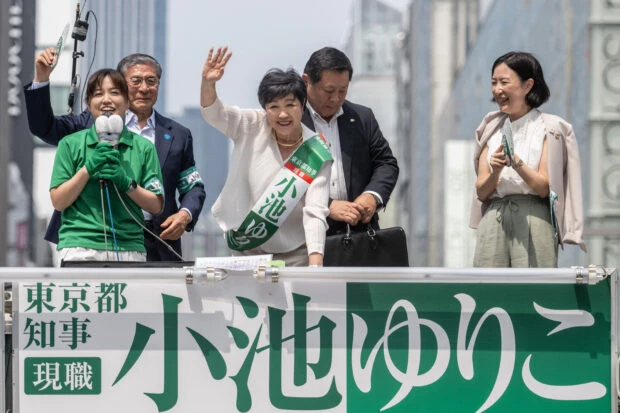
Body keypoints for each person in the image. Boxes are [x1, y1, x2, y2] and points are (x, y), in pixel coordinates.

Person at [24, 50, 205, 261]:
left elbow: (191, 185)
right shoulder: (90, 123)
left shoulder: (178, 135)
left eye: (151, 81)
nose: (144, 88)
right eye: (136, 80)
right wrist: (42, 79)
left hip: (157, 241)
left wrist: (185, 214)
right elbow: (43, 127)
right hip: (90, 242)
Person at [200, 47, 332, 266]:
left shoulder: (316, 151)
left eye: (290, 105)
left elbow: (315, 212)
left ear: (302, 106)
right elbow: (215, 114)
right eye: (274, 107)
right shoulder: (251, 124)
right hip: (249, 252)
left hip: (296, 255)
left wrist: (315, 265)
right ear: (265, 109)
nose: (282, 114)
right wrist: (208, 83)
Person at [470, 51, 587, 267]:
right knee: (488, 291)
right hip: (494, 217)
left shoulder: (549, 128)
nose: (498, 90)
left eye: (504, 82)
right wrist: (495, 171)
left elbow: (544, 187)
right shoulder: (490, 127)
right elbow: (482, 191)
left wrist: (516, 163)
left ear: (527, 85)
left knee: (532, 290)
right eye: (494, 82)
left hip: (534, 216)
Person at [50, 69, 164, 263]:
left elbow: (156, 205)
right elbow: (59, 201)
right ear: (88, 103)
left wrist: (125, 182)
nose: (106, 100)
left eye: (115, 92)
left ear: (128, 102)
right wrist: (87, 169)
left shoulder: (144, 148)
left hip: (129, 247)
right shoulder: (70, 144)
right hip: (80, 246)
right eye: (98, 94)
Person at [301, 47, 399, 236]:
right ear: (306, 81)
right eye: (328, 91)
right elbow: (278, 178)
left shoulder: (362, 118)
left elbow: (386, 163)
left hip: (358, 237)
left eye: (342, 90)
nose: (335, 98)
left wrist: (372, 196)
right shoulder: (290, 122)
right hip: (305, 238)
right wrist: (326, 206)